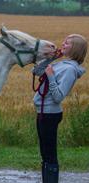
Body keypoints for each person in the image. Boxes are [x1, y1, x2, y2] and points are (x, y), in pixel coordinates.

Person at [33, 34, 88, 183]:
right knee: (45, 154)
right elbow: (36, 71)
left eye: (67, 43)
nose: (62, 44)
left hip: (50, 115)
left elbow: (58, 97)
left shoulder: (70, 70)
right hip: (43, 112)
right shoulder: (61, 64)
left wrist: (50, 76)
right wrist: (51, 59)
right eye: (64, 42)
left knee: (49, 155)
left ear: (75, 49)